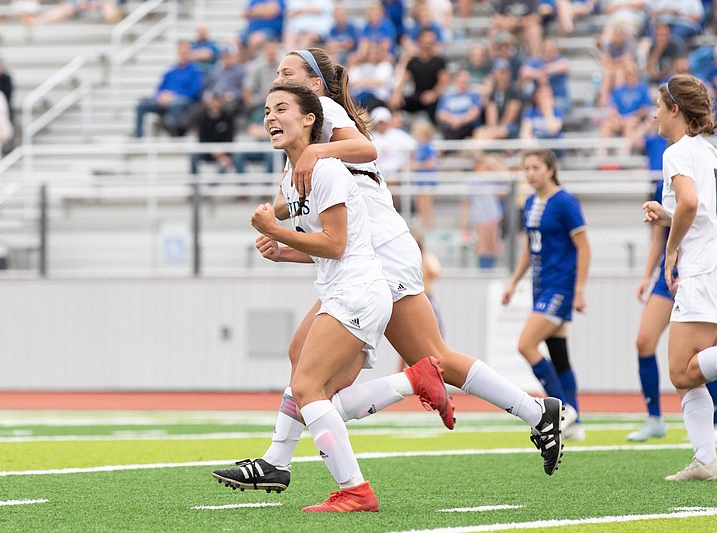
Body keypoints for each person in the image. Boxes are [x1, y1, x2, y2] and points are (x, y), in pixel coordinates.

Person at [211, 48, 570, 495]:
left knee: (410, 362)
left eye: (289, 74)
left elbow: (367, 148)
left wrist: (302, 177)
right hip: (362, 257)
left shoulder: (320, 116)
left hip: (378, 253)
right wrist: (279, 217)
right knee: (307, 362)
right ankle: (278, 460)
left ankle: (529, 410)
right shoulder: (307, 142)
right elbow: (305, 202)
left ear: (315, 87)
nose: (278, 80)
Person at [228, 83, 404, 511]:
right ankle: (413, 381)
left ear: (310, 119)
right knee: (318, 392)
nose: (270, 117)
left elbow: (336, 244)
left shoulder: (325, 170)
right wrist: (283, 252)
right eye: (266, 110)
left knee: (306, 387)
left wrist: (276, 232)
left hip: (356, 292)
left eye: (281, 108)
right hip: (347, 290)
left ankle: (355, 490)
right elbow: (324, 251)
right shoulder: (292, 177)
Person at [641, 74, 717, 480]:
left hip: (703, 268)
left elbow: (690, 201)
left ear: (675, 109)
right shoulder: (708, 151)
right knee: (691, 375)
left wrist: (671, 250)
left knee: (681, 370)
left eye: (658, 105)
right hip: (711, 261)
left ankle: (706, 457)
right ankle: (706, 458)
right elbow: (699, 210)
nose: (653, 114)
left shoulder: (677, 152)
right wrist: (667, 216)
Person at [502, 149, 590, 441]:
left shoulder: (565, 202)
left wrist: (579, 291)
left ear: (551, 169)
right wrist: (513, 283)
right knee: (560, 356)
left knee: (526, 345)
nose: (530, 173)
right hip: (542, 286)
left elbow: (584, 247)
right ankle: (575, 419)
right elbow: (530, 246)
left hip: (560, 286)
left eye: (536, 167)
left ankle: (562, 411)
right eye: (526, 168)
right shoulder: (530, 202)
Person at [134, 40, 203, 138]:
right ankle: (138, 136)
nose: (182, 55)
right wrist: (161, 97)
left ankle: (176, 135)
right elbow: (159, 89)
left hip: (184, 102)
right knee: (141, 104)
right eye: (180, 53)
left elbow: (194, 92)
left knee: (175, 104)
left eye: (185, 53)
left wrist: (173, 96)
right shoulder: (170, 71)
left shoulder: (195, 71)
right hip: (165, 102)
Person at [389, 28, 449, 124]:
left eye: (431, 38)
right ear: (420, 40)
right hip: (418, 96)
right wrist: (396, 94)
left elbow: (443, 81)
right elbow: (403, 80)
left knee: (434, 106)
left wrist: (434, 93)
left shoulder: (439, 61)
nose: (429, 41)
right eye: (426, 37)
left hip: (434, 97)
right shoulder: (413, 62)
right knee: (395, 103)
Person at [460, 154, 506, 270]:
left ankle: (490, 268)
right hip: (480, 216)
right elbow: (465, 201)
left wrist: (495, 165)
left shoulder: (491, 179)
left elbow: (503, 191)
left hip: (493, 215)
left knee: (493, 245)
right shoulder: (472, 180)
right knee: (483, 245)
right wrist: (465, 218)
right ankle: (484, 270)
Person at [410, 120, 439, 230]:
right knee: (420, 204)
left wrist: (419, 165)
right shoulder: (417, 147)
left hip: (427, 179)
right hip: (419, 179)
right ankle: (423, 226)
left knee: (427, 205)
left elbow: (433, 162)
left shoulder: (428, 146)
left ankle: (430, 226)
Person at [20, 0, 124, 25]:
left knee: (67, 9)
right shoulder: (114, 2)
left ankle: (37, 19)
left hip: (74, 6)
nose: (104, 13)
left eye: (104, 15)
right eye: (107, 13)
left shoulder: (99, 5)